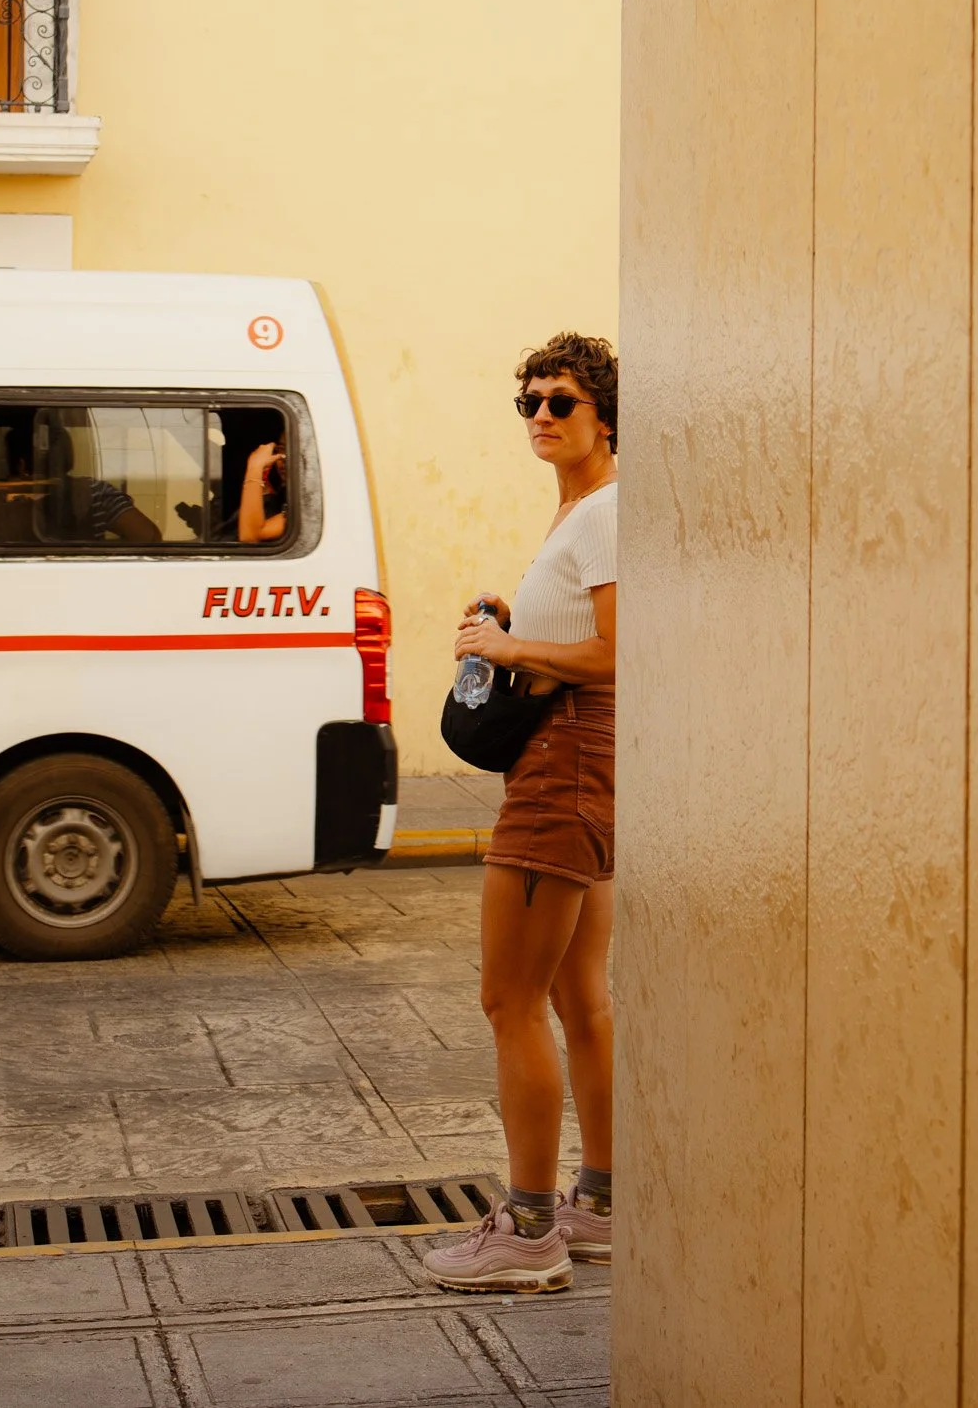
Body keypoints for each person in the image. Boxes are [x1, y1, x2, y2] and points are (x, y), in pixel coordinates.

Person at [422, 333, 618, 1295]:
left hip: (566, 766)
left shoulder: (610, 511)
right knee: (580, 997)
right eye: (529, 402)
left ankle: (531, 1230)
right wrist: (513, 632)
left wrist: (503, 646)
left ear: (606, 416)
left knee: (511, 1000)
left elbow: (626, 651)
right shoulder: (582, 512)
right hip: (584, 762)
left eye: (562, 400)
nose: (541, 414)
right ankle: (604, 1205)